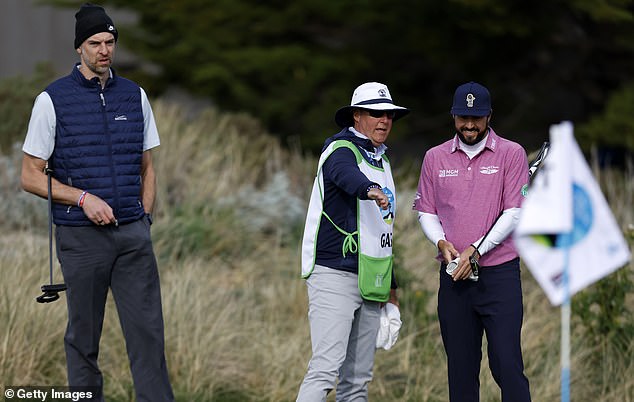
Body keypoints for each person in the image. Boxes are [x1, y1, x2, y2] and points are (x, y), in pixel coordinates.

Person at [20, 3, 173, 401]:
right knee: (83, 339)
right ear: (79, 48)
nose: (104, 50)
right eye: (95, 43)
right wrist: (83, 198)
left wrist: (145, 219)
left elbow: (147, 166)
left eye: (109, 42)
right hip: (81, 239)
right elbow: (30, 176)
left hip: (133, 236)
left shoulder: (134, 95)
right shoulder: (51, 100)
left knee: (148, 337)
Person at [413, 81, 531, 402]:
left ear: (489, 116)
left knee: (507, 366)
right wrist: (440, 242)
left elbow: (514, 212)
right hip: (454, 279)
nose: (469, 125)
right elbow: (426, 211)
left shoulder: (511, 153)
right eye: (463, 117)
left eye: (477, 118)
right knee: (461, 372)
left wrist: (476, 250)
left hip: (499, 278)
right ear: (453, 116)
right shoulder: (435, 158)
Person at [297, 82, 408, 401]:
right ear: (357, 116)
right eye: (375, 113)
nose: (384, 120)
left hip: (372, 279)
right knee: (324, 370)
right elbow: (345, 174)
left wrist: (392, 288)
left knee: (358, 380)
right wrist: (369, 189)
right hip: (334, 273)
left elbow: (382, 232)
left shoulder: (382, 160)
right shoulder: (341, 148)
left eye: (388, 114)